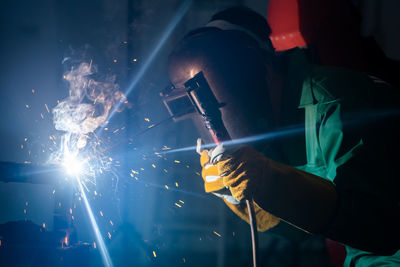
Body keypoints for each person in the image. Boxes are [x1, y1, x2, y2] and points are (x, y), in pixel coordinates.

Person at [167, 6, 400, 266]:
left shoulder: (335, 104)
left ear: (260, 69)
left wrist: (272, 180)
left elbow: (381, 229)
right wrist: (237, 194)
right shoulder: (275, 123)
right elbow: (297, 228)